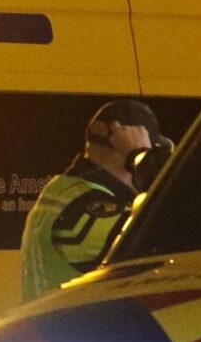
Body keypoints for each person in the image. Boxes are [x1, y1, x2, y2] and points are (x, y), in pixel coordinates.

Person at [19, 99, 165, 300]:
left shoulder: (68, 193)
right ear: (126, 159)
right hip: (72, 327)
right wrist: (139, 156)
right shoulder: (84, 209)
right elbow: (165, 238)